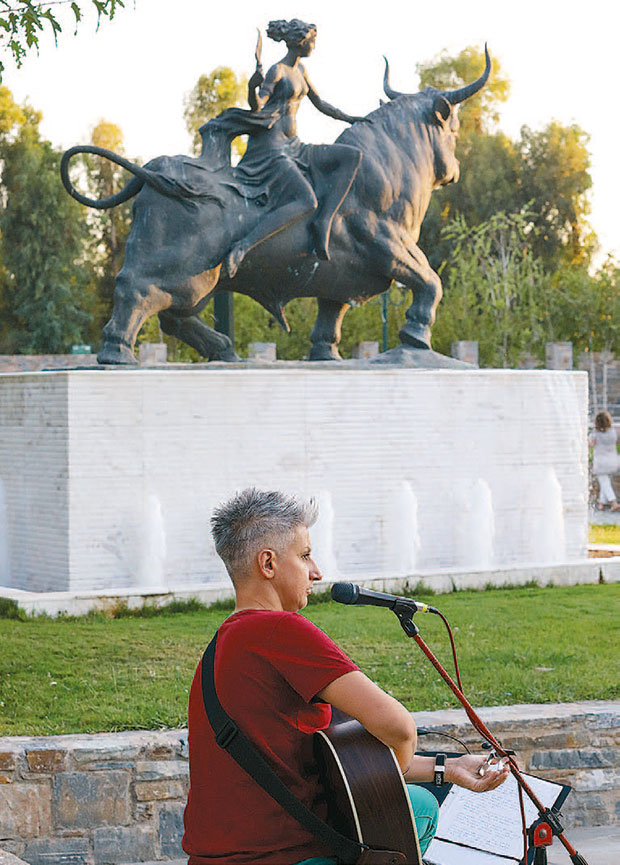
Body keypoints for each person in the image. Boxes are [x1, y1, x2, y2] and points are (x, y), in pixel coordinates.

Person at [182, 488, 509, 864]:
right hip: (286, 856)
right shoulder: (279, 629)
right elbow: (399, 728)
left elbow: (344, 765)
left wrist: (448, 768)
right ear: (268, 564)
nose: (317, 572)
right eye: (304, 555)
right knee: (417, 806)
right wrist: (403, 769)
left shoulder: (221, 645)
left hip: (216, 857)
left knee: (414, 798)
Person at [222, 19, 365, 278]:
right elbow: (257, 107)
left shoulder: (302, 71)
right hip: (273, 148)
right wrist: (251, 86)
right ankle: (242, 247)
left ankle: (324, 220)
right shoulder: (277, 71)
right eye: (312, 41)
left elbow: (321, 104)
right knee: (306, 200)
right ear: (300, 41)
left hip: (296, 146)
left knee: (351, 156)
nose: (314, 46)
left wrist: (351, 118)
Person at [589, 411, 620, 511]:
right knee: (605, 482)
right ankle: (601, 504)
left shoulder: (595, 433)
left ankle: (614, 502)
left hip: (601, 463)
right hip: (613, 461)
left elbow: (590, 444)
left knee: (604, 482)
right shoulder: (613, 431)